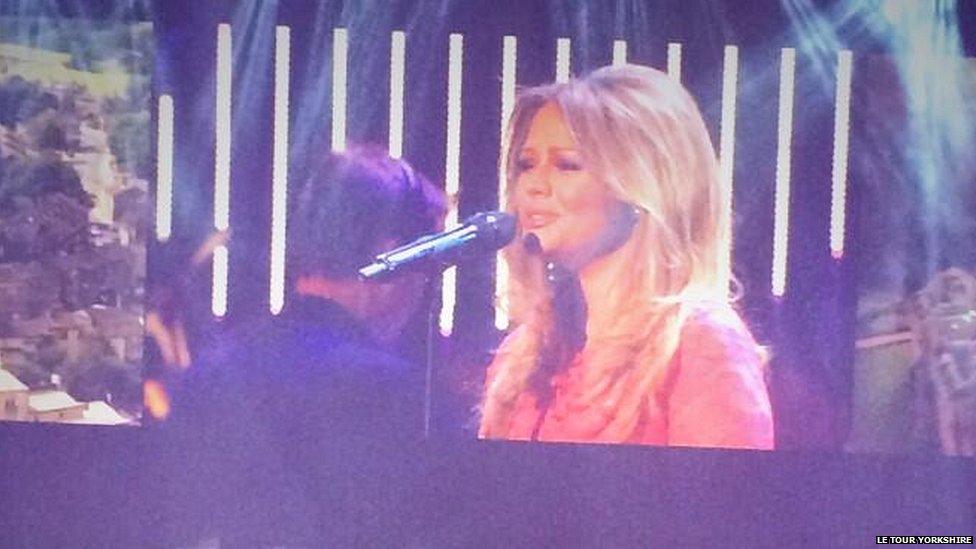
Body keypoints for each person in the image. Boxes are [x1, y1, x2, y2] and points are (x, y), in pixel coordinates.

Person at [162, 144, 446, 545]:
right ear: (389, 256)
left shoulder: (210, 370)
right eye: (425, 269)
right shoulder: (381, 387)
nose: (423, 291)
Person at [479, 64, 774, 449]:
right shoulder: (522, 357)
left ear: (642, 186)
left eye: (567, 164)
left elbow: (728, 506)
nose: (535, 184)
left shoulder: (700, 344)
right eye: (526, 164)